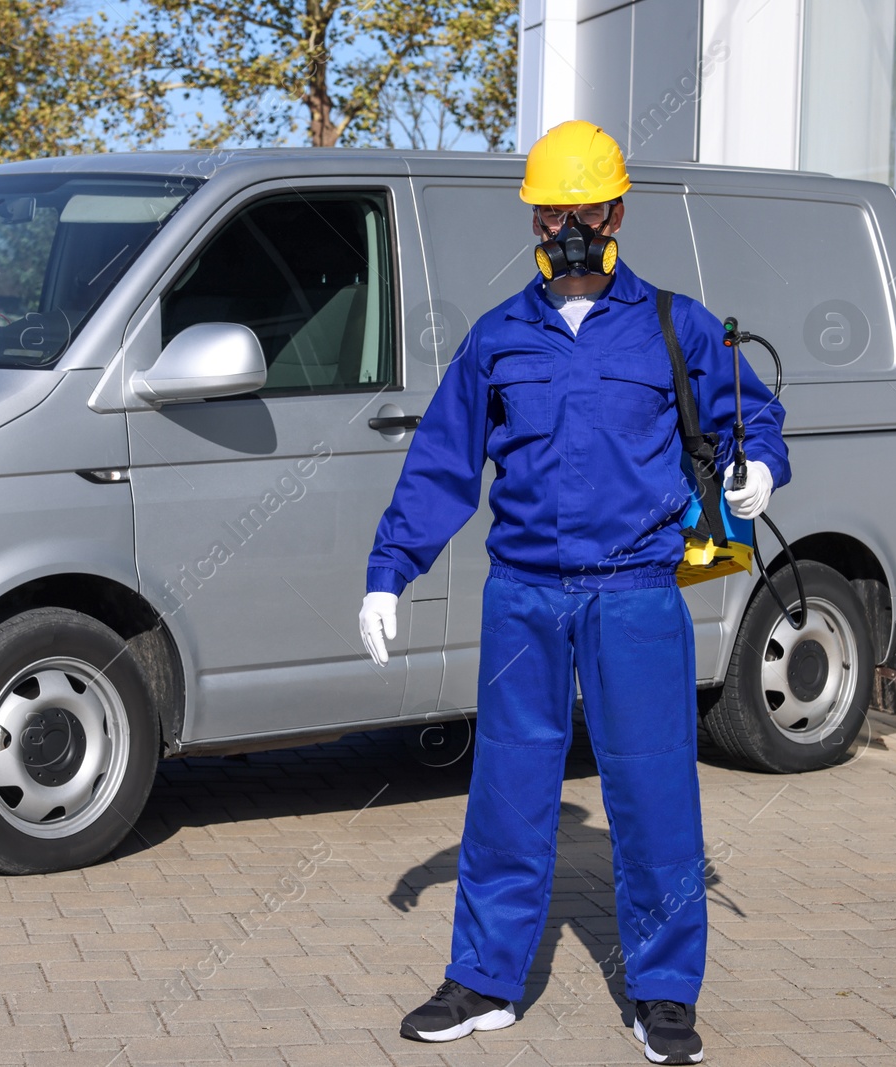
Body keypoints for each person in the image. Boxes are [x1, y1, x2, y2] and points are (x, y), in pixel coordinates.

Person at [357, 120, 789, 1066]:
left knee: (654, 790)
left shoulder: (676, 324)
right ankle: (483, 978)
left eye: (582, 208)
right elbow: (441, 465)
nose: (565, 226)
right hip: (523, 596)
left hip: (636, 592)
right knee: (508, 790)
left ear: (617, 211)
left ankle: (664, 992)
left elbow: (751, 412)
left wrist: (764, 473)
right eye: (549, 211)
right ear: (534, 220)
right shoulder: (499, 337)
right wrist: (391, 571)